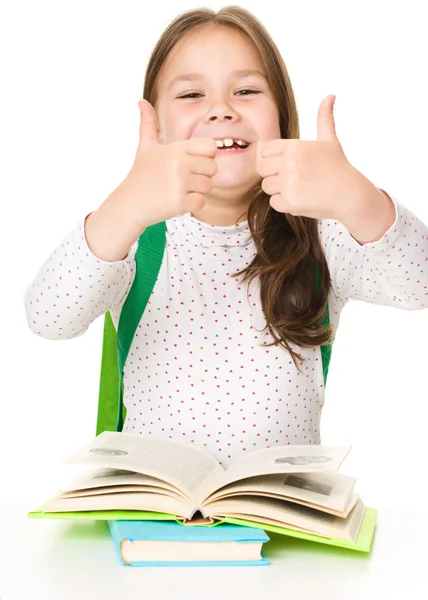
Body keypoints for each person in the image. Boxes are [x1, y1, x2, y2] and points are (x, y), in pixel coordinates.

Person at [24, 6, 428, 468]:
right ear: (154, 124)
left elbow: (420, 285)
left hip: (280, 519)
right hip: (157, 517)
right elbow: (48, 317)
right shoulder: (135, 236)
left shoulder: (322, 233)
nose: (221, 110)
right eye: (192, 94)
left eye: (246, 90)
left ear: (281, 115)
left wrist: (359, 199)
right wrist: (127, 204)